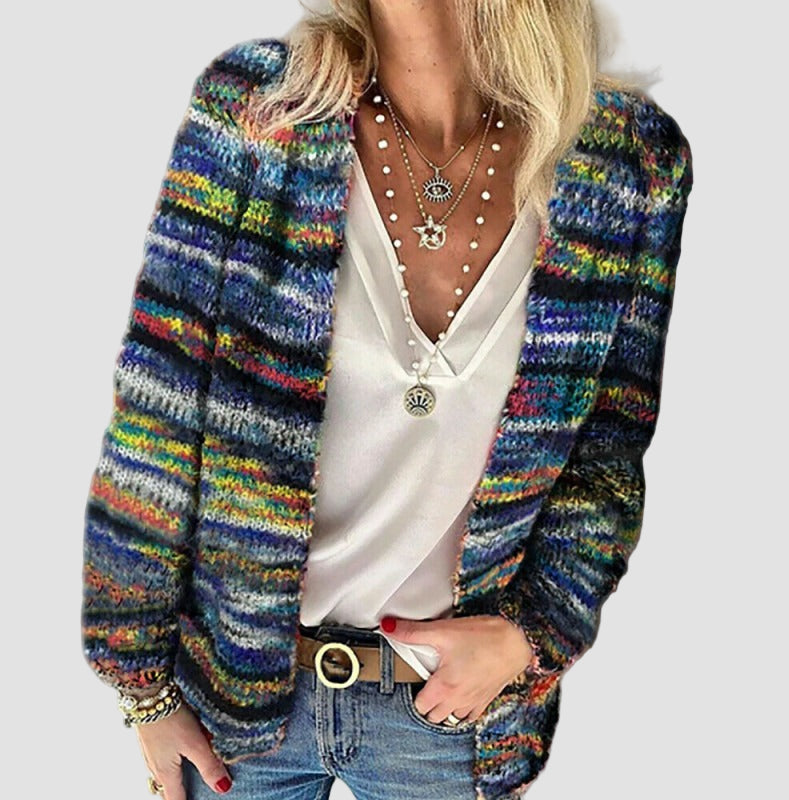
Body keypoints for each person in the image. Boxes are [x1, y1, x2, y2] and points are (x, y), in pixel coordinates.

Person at [80, 1, 693, 798]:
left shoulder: (627, 162)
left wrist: (532, 634)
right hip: (238, 698)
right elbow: (157, 416)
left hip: (447, 711)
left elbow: (608, 449)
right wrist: (143, 689)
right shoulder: (262, 113)